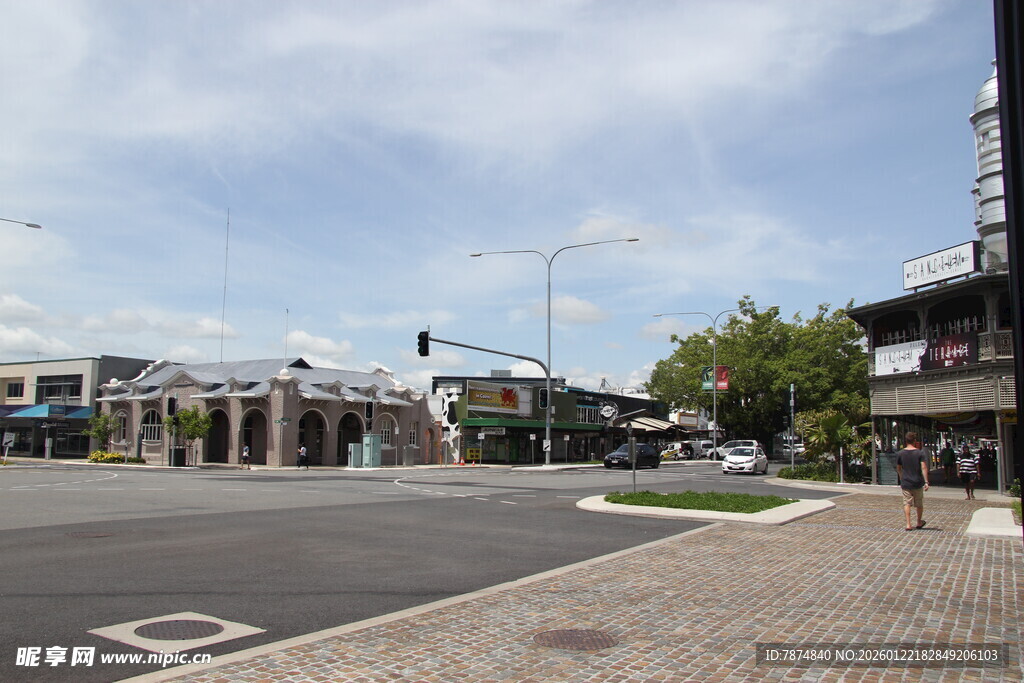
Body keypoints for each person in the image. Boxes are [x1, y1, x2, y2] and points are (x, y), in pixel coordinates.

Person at [895, 432, 930, 531]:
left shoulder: (900, 453)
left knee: (907, 503)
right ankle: (919, 522)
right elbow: (923, 467)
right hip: (917, 482)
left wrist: (902, 477)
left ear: (905, 441)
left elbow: (898, 468)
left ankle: (908, 524)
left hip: (906, 482)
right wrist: (926, 481)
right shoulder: (919, 453)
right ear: (915, 441)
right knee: (919, 503)